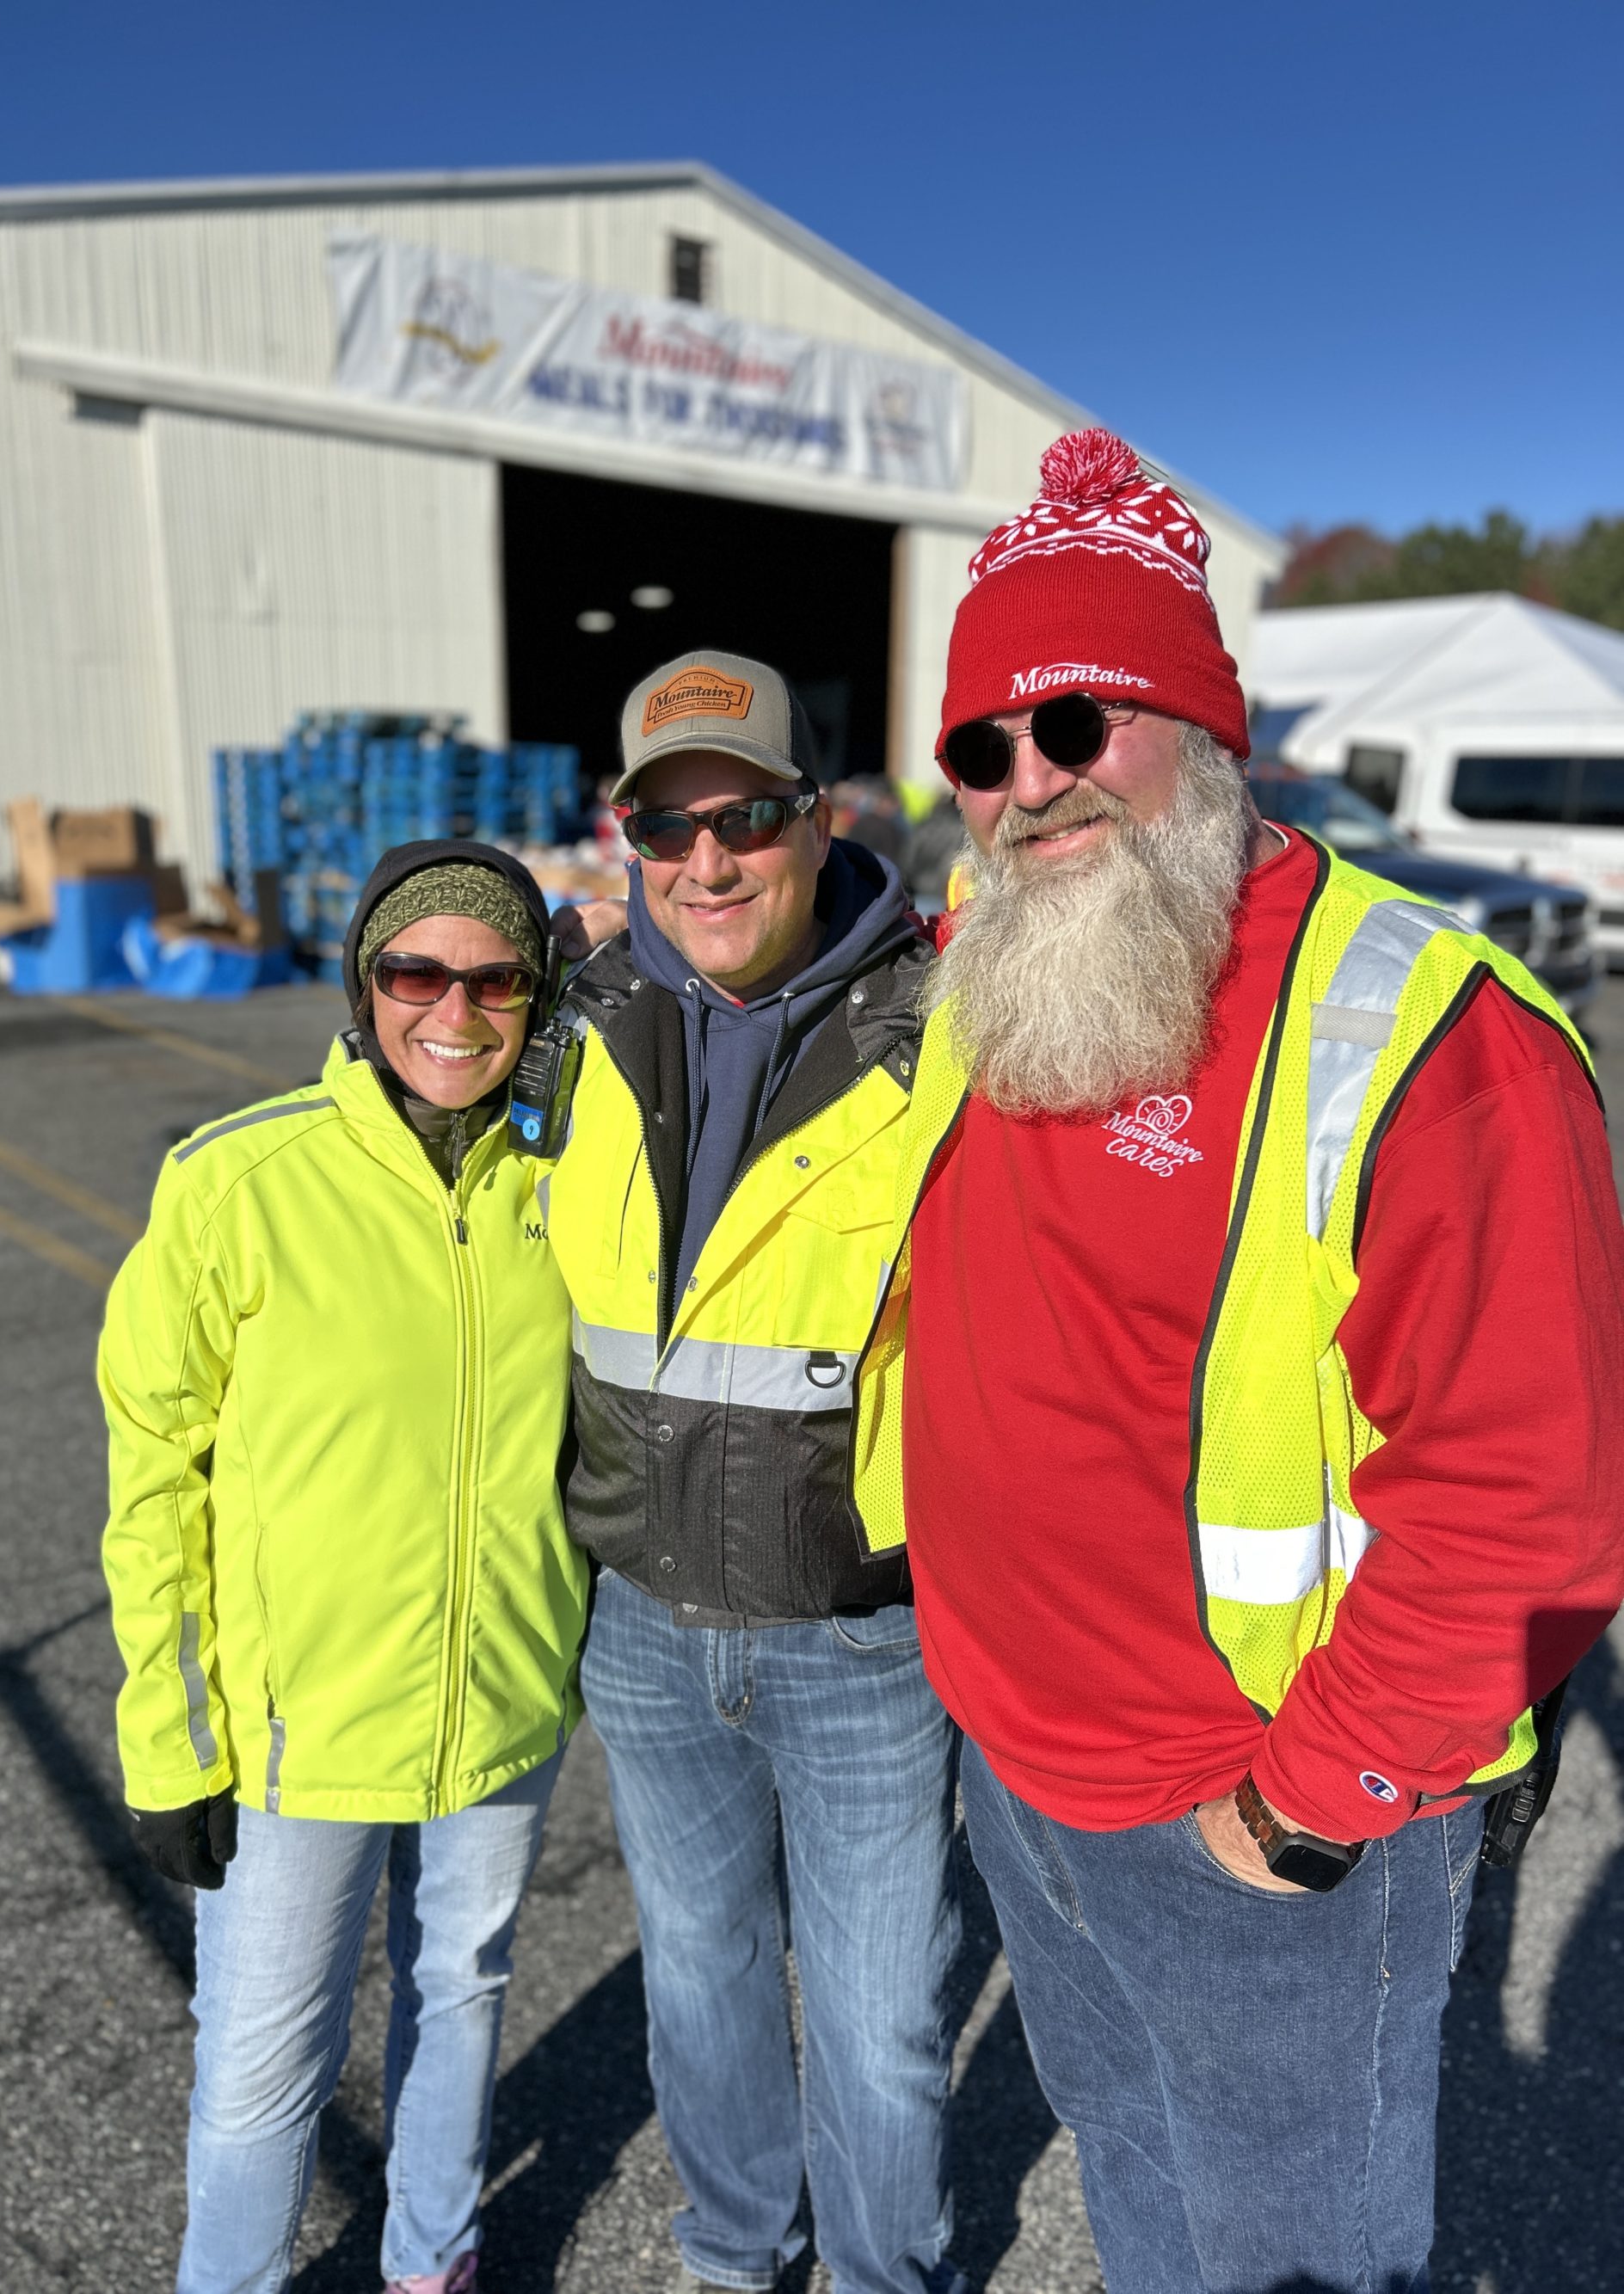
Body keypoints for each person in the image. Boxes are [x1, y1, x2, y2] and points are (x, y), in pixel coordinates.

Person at [845, 430, 1624, 2293]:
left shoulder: (1427, 1034)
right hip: (1017, 1759)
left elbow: (1529, 1493)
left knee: (1291, 2255)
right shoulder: (1009, 953)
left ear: (1206, 724)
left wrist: (1306, 1803)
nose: (1030, 782)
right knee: (1134, 2175)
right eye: (982, 751)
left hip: (1251, 1810)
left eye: (1076, 720)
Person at [99, 842, 587, 2294]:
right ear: (363, 985)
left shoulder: (568, 1179)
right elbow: (152, 1477)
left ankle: (432, 2260)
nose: (455, 1011)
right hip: (294, 1730)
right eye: (415, 973)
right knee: (265, 2063)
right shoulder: (237, 1181)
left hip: (500, 1702)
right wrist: (170, 1739)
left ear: (539, 995)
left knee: (463, 1990)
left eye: (497, 979)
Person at [539, 650, 963, 2294]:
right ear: (625, 837)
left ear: (820, 816)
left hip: (861, 1636)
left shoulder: (949, 1024)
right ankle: (732, 2252)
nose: (706, 862)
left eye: (747, 820)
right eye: (667, 827)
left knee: (881, 2019)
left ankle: (881, 2274)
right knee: (701, 1979)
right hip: (642, 1626)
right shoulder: (571, 1024)